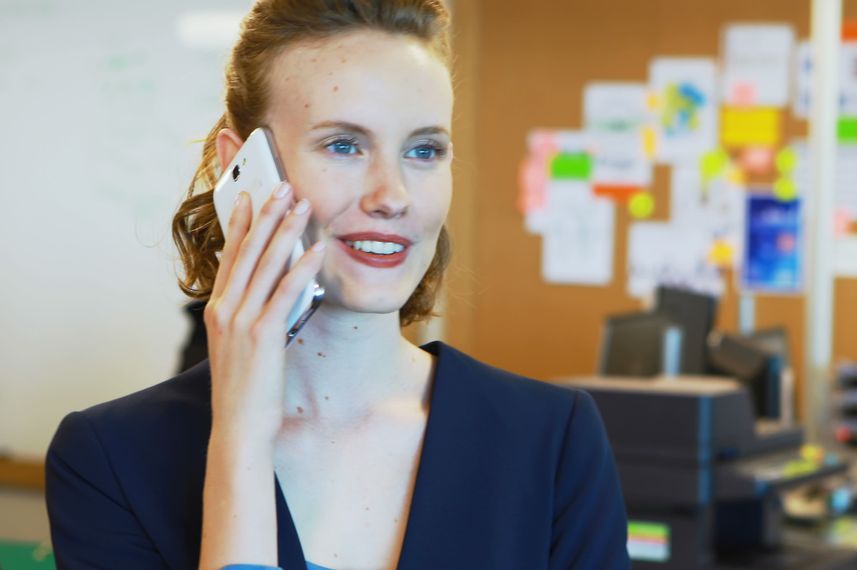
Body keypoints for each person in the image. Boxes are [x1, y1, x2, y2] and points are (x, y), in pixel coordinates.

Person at [43, 1, 630, 568]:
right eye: (344, 145)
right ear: (239, 167)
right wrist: (241, 437)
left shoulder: (553, 442)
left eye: (424, 150)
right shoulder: (110, 458)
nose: (393, 195)